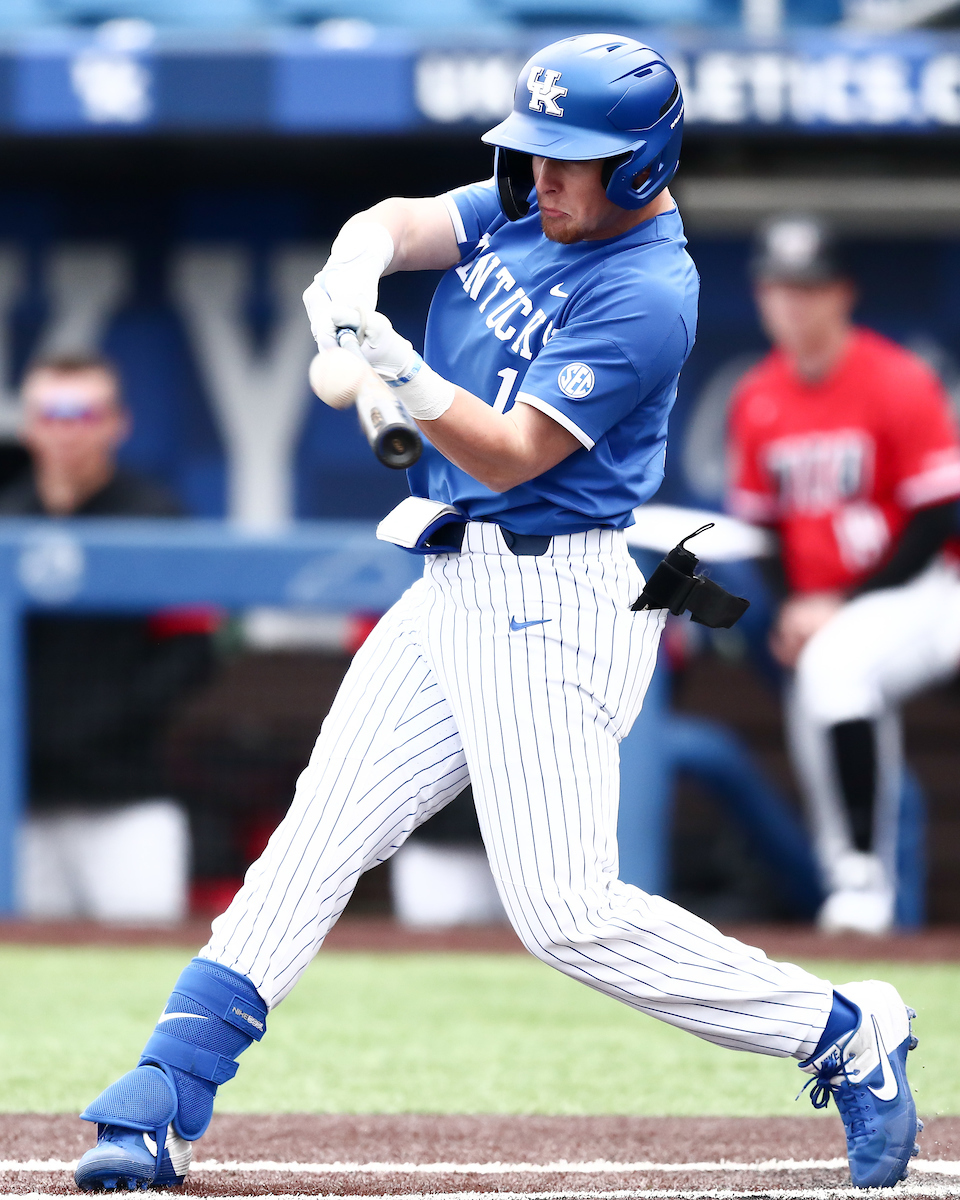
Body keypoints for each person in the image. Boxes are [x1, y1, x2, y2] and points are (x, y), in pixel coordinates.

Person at [73, 38, 920, 1193]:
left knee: (565, 913)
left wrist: (407, 380)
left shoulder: (650, 290)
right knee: (321, 832)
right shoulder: (533, 191)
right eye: (531, 153)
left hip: (553, 591)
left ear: (641, 165)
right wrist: (352, 269)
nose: (541, 177)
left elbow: (517, 455)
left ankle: (845, 1029)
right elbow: (411, 219)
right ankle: (168, 1091)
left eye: (572, 162)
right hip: (454, 575)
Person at [728, 216, 960, 937]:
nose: (793, 304)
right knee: (819, 698)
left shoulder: (898, 377)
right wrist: (798, 607)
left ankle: (861, 871)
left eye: (809, 288)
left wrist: (835, 607)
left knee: (837, 662)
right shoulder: (757, 397)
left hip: (925, 594)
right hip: (833, 609)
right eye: (779, 288)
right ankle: (856, 888)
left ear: (842, 294)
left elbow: (937, 519)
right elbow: (761, 530)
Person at [1, 352, 214, 921]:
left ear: (118, 423)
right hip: (18, 801)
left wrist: (108, 720)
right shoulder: (9, 514)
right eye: (53, 414)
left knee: (147, 968)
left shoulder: (156, 518)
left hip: (128, 792)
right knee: (24, 980)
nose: (68, 430)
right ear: (28, 424)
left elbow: (195, 647)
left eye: (85, 414)